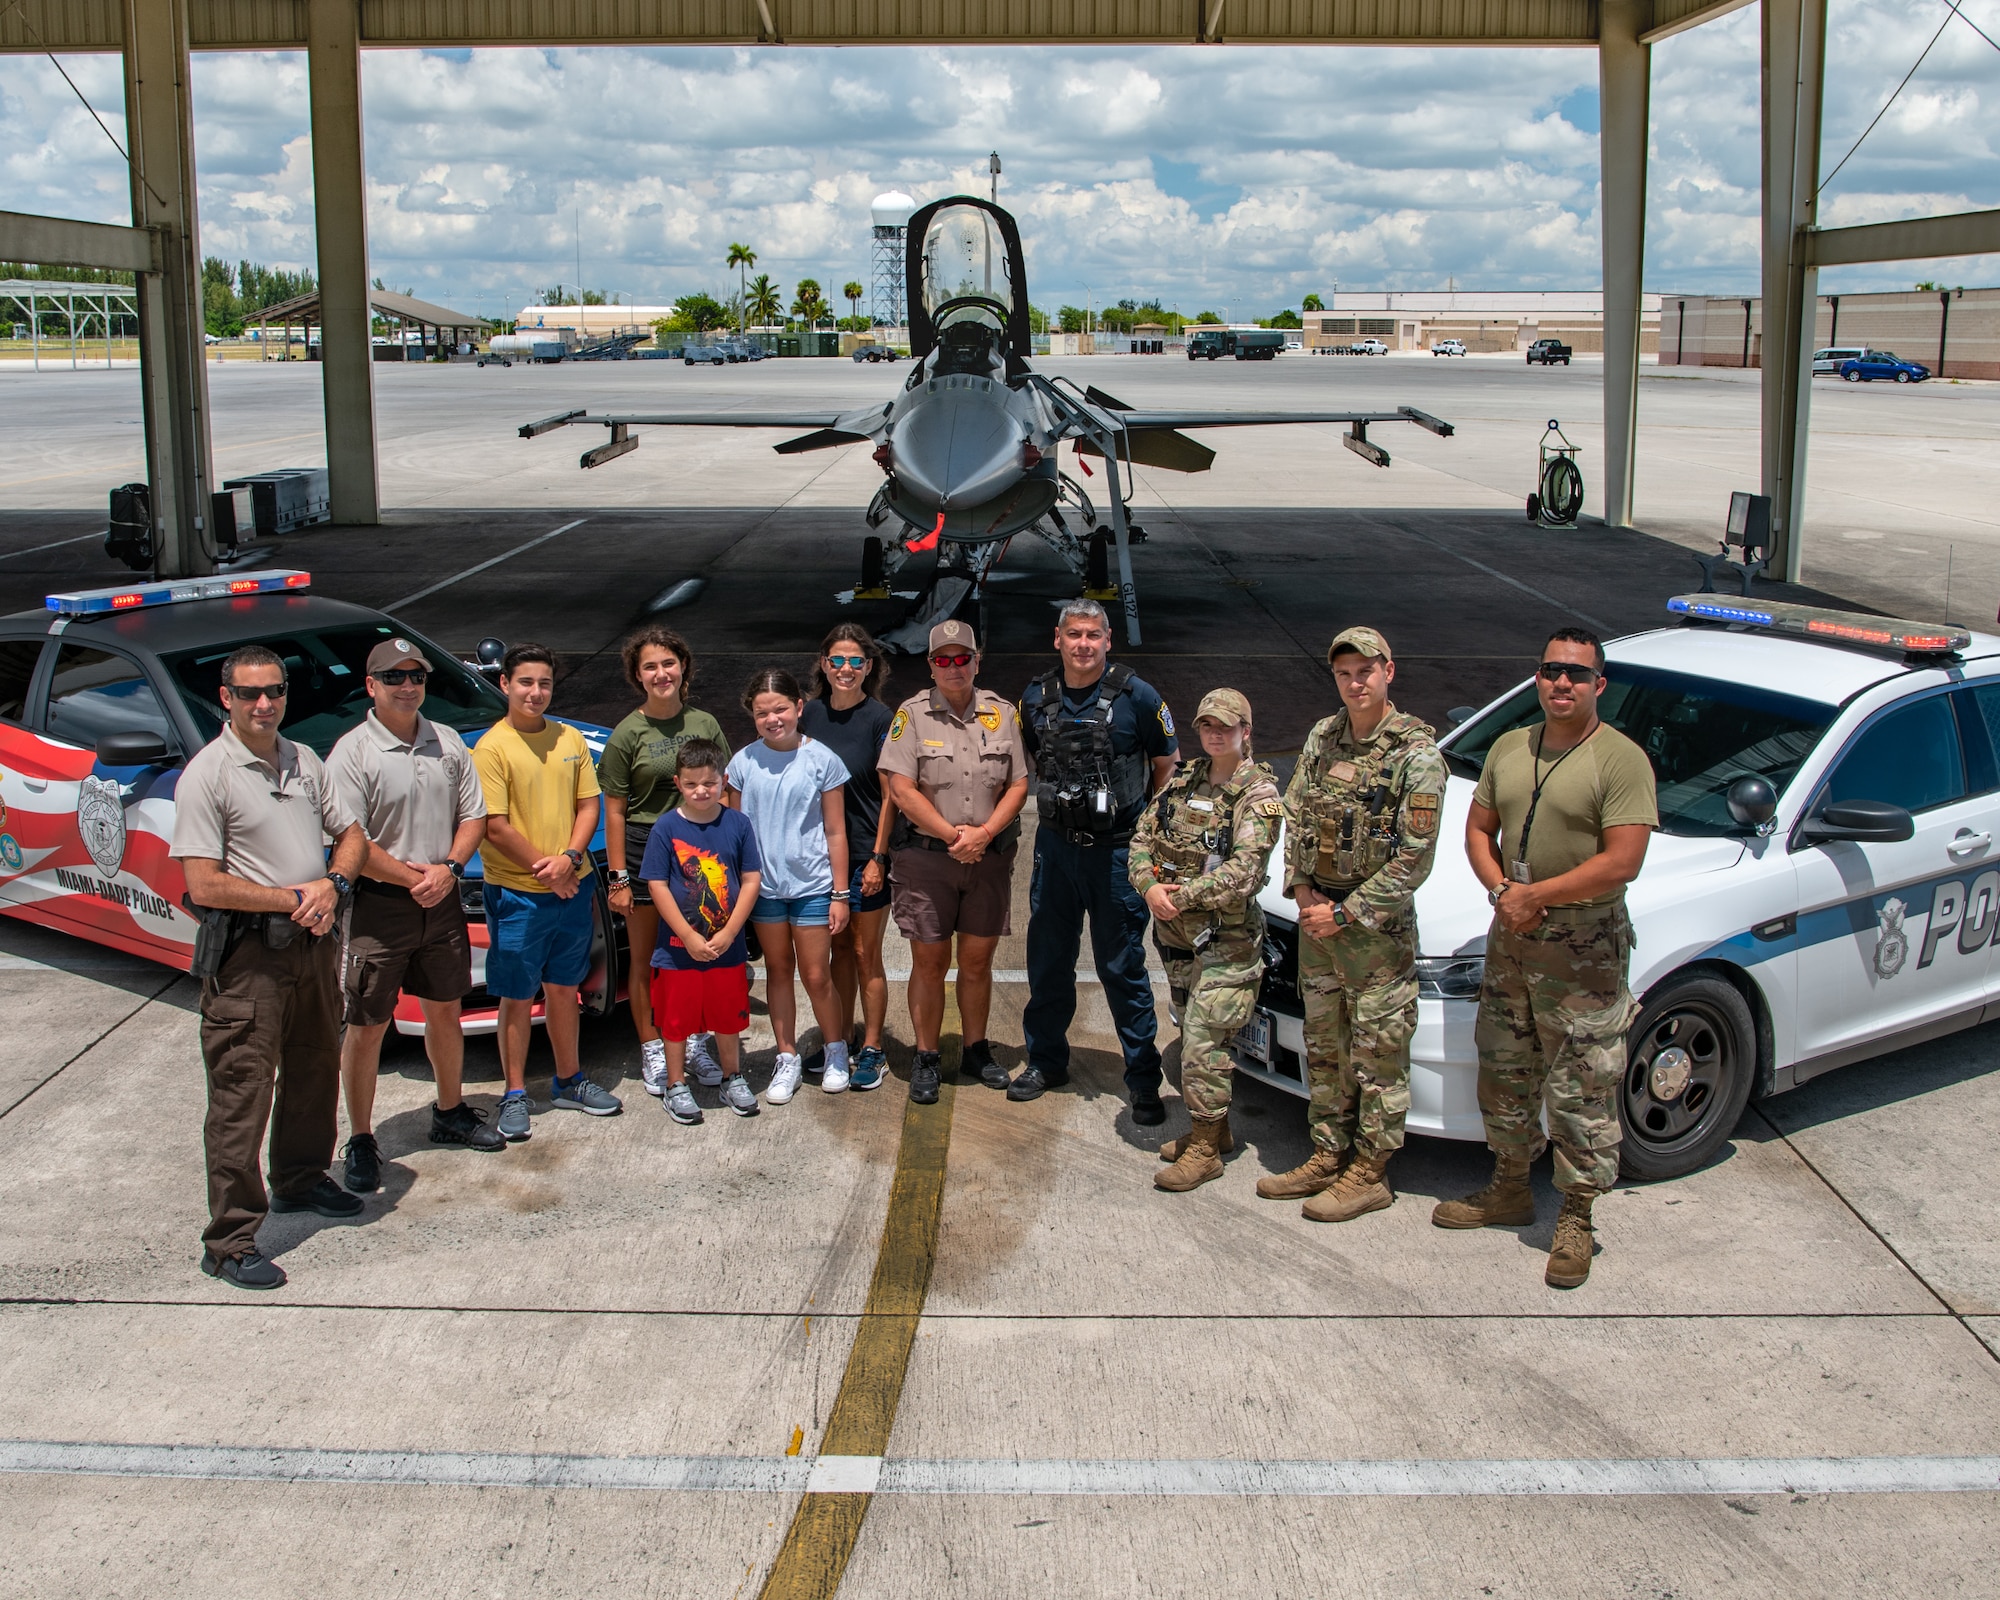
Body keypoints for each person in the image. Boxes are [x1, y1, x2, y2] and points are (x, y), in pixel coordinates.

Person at [1435, 626, 1655, 1288]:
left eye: (1577, 675)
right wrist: (1505, 891)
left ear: (1599, 686)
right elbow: (1478, 829)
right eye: (1552, 670)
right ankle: (1509, 1188)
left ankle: (1577, 1216)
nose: (1562, 683)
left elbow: (1624, 861)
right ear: (1538, 677)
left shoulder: (1620, 760)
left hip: (1582, 947)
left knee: (1581, 1082)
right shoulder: (1509, 746)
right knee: (1505, 1065)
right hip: (1513, 936)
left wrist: (1538, 897)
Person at [171, 644, 368, 1290]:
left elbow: (352, 835)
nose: (265, 704)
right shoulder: (209, 775)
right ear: (225, 697)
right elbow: (203, 883)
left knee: (313, 1068)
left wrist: (333, 884)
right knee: (241, 1094)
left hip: (312, 943)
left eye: (275, 692)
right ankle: (228, 1241)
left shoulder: (303, 760)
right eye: (251, 693)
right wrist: (294, 898)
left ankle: (301, 1178)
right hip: (249, 956)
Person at [1261, 627, 1446, 1223]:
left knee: (1378, 1053)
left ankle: (1371, 1171)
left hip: (1374, 934)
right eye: (1344, 673)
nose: (1355, 682)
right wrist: (1304, 890)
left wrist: (1346, 913)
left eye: (1365, 670)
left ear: (1389, 671)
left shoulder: (1417, 756)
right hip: (1321, 921)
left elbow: (1414, 858)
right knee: (1325, 1045)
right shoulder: (1325, 735)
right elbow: (1296, 817)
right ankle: (1327, 1151)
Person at [328, 637, 500, 1193]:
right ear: (370, 686)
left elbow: (473, 815)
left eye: (416, 677)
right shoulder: (351, 753)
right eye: (394, 678)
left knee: (444, 1011)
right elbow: (351, 839)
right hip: (381, 906)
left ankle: (449, 1111)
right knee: (367, 1025)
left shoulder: (445, 740)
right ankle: (359, 1138)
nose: (408, 687)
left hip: (441, 897)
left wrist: (448, 868)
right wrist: (414, 878)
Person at [1017, 599, 1178, 1120]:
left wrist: (1147, 838)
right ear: (1058, 639)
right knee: (1048, 961)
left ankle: (1142, 1078)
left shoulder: (1138, 696)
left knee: (1122, 967)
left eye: (1093, 635)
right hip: (1056, 850)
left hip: (1116, 853)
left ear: (1108, 640)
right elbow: (1027, 759)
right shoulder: (1035, 699)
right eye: (1074, 634)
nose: (1083, 644)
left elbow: (1166, 764)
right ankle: (1044, 1060)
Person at [1127, 690, 1282, 1191]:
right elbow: (1141, 838)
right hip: (1177, 942)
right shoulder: (1184, 778)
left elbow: (1245, 872)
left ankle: (1204, 1151)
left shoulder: (1258, 796)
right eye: (1207, 725)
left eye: (1226, 726)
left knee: (1201, 1045)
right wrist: (1149, 887)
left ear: (1246, 731)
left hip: (1226, 945)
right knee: (1195, 1035)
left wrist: (1182, 896)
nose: (1216, 734)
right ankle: (1215, 1133)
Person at [473, 643, 623, 1140]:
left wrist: (571, 861)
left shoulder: (569, 738)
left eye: (544, 684)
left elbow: (589, 806)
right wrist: (548, 869)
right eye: (525, 683)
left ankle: (568, 1080)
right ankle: (514, 1093)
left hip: (571, 888)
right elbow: (494, 826)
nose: (535, 693)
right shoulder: (492, 748)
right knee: (516, 995)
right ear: (505, 685)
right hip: (518, 894)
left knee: (566, 988)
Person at [878, 619, 1030, 1106]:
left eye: (962, 657)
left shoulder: (1003, 713)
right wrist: (952, 837)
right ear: (930, 665)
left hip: (987, 858)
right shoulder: (912, 715)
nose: (953, 667)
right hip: (928, 861)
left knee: (978, 962)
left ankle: (975, 1049)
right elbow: (901, 788)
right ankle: (926, 1055)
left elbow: (1018, 784)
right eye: (942, 659)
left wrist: (984, 834)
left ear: (977, 660)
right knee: (929, 961)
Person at [599, 626, 730, 1099]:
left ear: (683, 667)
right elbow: (614, 809)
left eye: (668, 663)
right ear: (638, 675)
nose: (661, 673)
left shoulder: (706, 723)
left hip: (699, 853)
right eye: (650, 666)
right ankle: (652, 1045)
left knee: (693, 953)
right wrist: (617, 876)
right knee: (648, 957)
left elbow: (726, 791)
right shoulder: (626, 734)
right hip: (645, 847)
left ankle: (693, 1043)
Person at [726, 668, 853, 1105]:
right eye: (762, 713)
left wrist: (840, 893)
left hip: (814, 886)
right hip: (763, 891)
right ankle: (786, 1057)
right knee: (777, 973)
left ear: (799, 707)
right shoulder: (741, 764)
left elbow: (836, 831)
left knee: (817, 975)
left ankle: (836, 1052)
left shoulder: (823, 760)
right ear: (752, 716)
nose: (772, 718)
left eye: (780, 709)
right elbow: (736, 832)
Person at [640, 738, 763, 1124]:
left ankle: (733, 1076)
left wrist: (731, 932)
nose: (701, 791)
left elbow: (751, 878)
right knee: (676, 1023)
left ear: (724, 780)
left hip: (726, 949)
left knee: (728, 1018)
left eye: (709, 783)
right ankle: (676, 1084)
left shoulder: (738, 824)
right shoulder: (666, 827)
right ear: (678, 783)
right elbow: (657, 885)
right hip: (677, 951)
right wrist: (689, 936)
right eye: (692, 784)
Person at [801, 624, 897, 1091]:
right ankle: (839, 1039)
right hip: (817, 859)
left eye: (856, 661)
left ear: (869, 667)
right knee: (835, 951)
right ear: (824, 664)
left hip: (864, 856)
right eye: (837, 660)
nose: (845, 669)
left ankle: (873, 1047)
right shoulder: (809, 715)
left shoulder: (882, 719)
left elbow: (891, 795)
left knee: (864, 953)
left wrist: (879, 857)